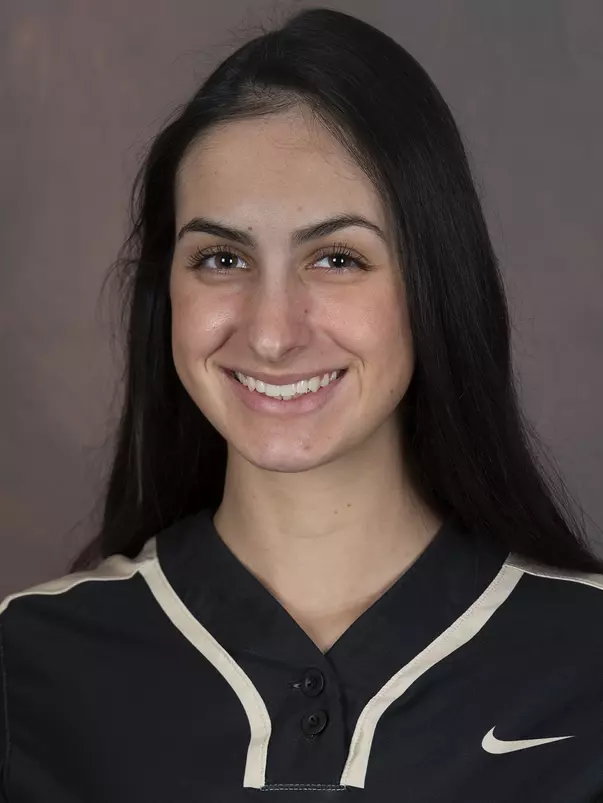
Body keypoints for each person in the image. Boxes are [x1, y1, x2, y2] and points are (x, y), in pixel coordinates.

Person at [1, 6, 602, 802]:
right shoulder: (27, 665)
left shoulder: (584, 663)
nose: (273, 332)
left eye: (337, 257)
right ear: (165, 293)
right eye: (220, 257)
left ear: (432, 286)